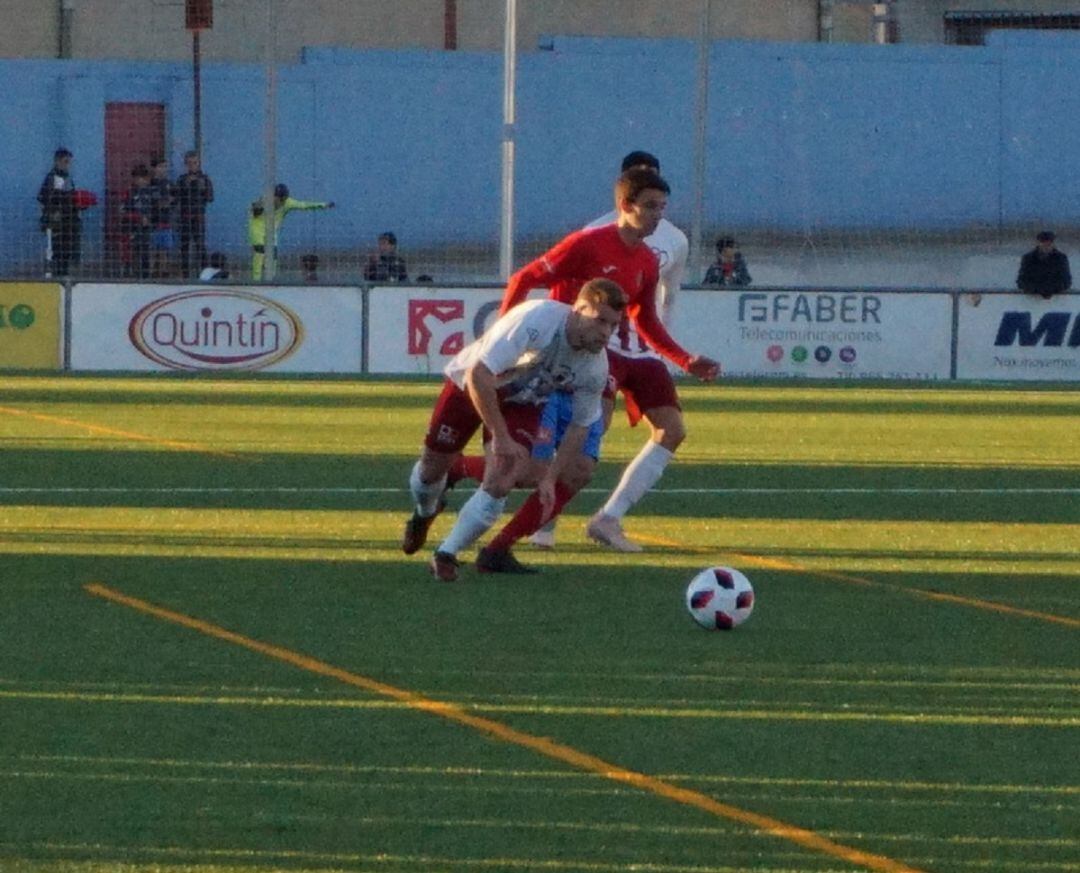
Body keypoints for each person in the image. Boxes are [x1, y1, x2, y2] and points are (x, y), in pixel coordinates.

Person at [451, 166, 719, 567]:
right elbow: (525, 277)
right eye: (650, 206)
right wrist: (504, 339)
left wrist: (684, 358)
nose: (658, 216)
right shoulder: (588, 242)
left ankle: (499, 548)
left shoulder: (648, 259)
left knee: (581, 467)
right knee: (538, 467)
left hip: (609, 357)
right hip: (568, 362)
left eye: (662, 207)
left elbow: (645, 317)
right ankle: (458, 470)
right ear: (625, 204)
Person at [401, 279, 627, 582]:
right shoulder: (537, 320)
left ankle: (447, 554)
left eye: (613, 325)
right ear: (578, 309)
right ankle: (425, 511)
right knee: (431, 470)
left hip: (523, 402)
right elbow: (478, 374)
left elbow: (581, 425)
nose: (606, 333)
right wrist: (501, 437)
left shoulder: (595, 366)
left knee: (505, 475)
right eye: (600, 320)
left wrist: (550, 478)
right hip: (470, 386)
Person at [248, 183, 334, 280]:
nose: (281, 202)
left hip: (271, 232)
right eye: (279, 199)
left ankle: (270, 280)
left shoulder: (288, 203)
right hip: (257, 229)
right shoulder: (264, 201)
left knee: (273, 256)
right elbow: (253, 211)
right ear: (274, 197)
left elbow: (304, 205)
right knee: (260, 252)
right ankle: (256, 280)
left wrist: (323, 205)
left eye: (283, 200)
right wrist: (257, 207)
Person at [37, 148, 82, 277]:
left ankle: (65, 273)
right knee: (58, 251)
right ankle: (57, 275)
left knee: (67, 250)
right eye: (65, 161)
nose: (68, 165)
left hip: (68, 221)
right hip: (57, 222)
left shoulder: (67, 178)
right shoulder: (53, 178)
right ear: (57, 161)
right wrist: (54, 211)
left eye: (69, 162)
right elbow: (43, 197)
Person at [174, 150, 214, 278]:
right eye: (189, 163)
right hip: (184, 217)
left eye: (195, 163)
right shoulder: (182, 179)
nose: (192, 166)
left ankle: (204, 274)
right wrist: (185, 187)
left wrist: (201, 188)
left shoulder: (205, 179)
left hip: (198, 217)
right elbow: (176, 198)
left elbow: (210, 197)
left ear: (199, 163)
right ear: (186, 164)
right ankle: (185, 275)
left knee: (200, 246)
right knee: (184, 247)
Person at [1016, 231, 1071, 300]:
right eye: (1043, 242)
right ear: (1038, 243)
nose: (1046, 245)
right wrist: (1037, 290)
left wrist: (1050, 289)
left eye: (1049, 243)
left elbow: (1066, 281)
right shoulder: (1028, 258)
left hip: (1056, 300)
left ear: (1053, 244)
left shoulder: (1061, 259)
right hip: (1031, 300)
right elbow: (1021, 281)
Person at [122, 164, 154, 279]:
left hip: (147, 228)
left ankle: (146, 276)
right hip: (132, 227)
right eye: (139, 178)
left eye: (144, 178)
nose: (142, 181)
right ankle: (131, 274)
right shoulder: (130, 193)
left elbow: (156, 209)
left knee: (146, 251)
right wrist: (139, 218)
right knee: (133, 251)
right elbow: (124, 211)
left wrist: (150, 219)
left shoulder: (150, 192)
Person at [148, 157, 175, 278]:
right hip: (153, 222)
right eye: (161, 167)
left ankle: (163, 272)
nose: (163, 169)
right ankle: (151, 272)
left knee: (164, 249)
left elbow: (175, 199)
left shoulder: (169, 184)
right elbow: (149, 201)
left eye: (165, 167)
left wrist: (169, 202)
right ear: (154, 168)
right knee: (153, 249)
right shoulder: (150, 184)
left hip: (166, 221)